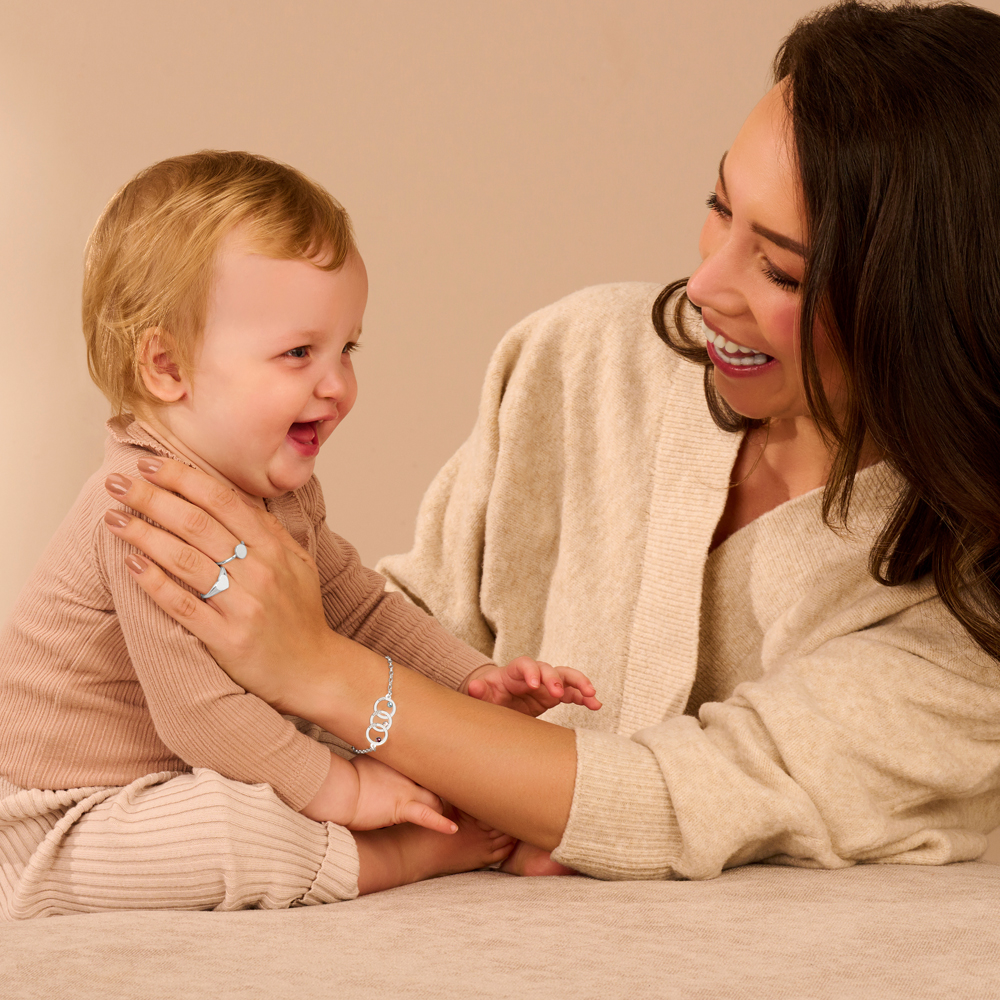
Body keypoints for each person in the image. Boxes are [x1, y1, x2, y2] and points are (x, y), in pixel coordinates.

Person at [93, 0, 1000, 881]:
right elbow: (414, 619)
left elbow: (673, 801)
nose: (705, 284)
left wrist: (325, 674)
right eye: (719, 207)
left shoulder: (964, 634)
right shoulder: (581, 359)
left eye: (780, 268)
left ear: (925, 313)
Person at [0, 151, 601, 920]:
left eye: (346, 348)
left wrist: (468, 683)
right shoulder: (148, 514)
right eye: (297, 354)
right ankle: (403, 852)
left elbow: (356, 611)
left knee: (343, 752)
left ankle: (461, 816)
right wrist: (343, 791)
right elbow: (200, 715)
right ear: (166, 365)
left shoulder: (277, 494)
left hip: (186, 772)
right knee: (233, 824)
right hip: (57, 822)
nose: (337, 385)